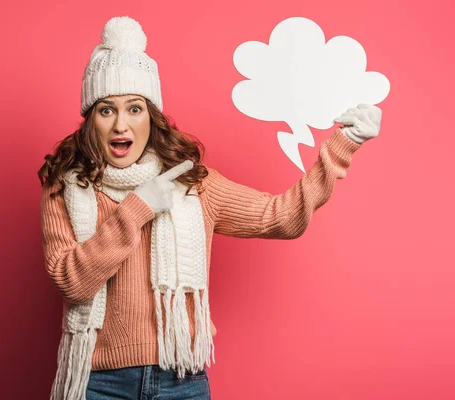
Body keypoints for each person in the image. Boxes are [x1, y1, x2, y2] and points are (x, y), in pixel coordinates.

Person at [37, 16, 381, 400]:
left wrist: (341, 146)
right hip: (97, 383)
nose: (121, 124)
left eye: (134, 108)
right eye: (106, 110)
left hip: (180, 379)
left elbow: (281, 217)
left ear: (151, 117)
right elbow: (72, 282)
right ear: (91, 120)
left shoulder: (194, 186)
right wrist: (136, 210)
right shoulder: (66, 188)